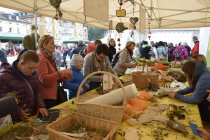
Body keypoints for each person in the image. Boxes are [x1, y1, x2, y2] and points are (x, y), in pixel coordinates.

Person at [0, 50, 48, 122]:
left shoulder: (34, 73)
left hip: (32, 117)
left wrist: (40, 106)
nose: (33, 71)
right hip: (16, 121)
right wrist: (18, 111)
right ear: (22, 63)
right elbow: (3, 102)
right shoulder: (4, 77)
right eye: (30, 68)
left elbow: (37, 91)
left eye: (35, 68)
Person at [37, 35, 72, 109]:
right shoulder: (41, 57)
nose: (54, 45)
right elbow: (44, 79)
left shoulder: (49, 57)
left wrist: (64, 77)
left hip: (55, 95)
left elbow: (54, 78)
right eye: (52, 43)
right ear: (44, 45)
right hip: (47, 98)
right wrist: (61, 73)